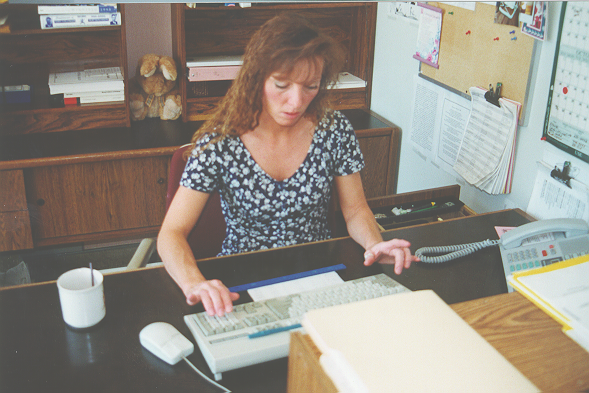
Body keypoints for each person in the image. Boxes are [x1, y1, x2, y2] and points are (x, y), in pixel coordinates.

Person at [158, 13, 419, 317]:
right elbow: (171, 233)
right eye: (282, 85)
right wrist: (194, 283)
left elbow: (356, 211)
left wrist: (375, 245)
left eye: (310, 86)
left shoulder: (333, 130)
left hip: (320, 275)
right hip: (240, 284)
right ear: (257, 77)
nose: (295, 102)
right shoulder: (220, 142)